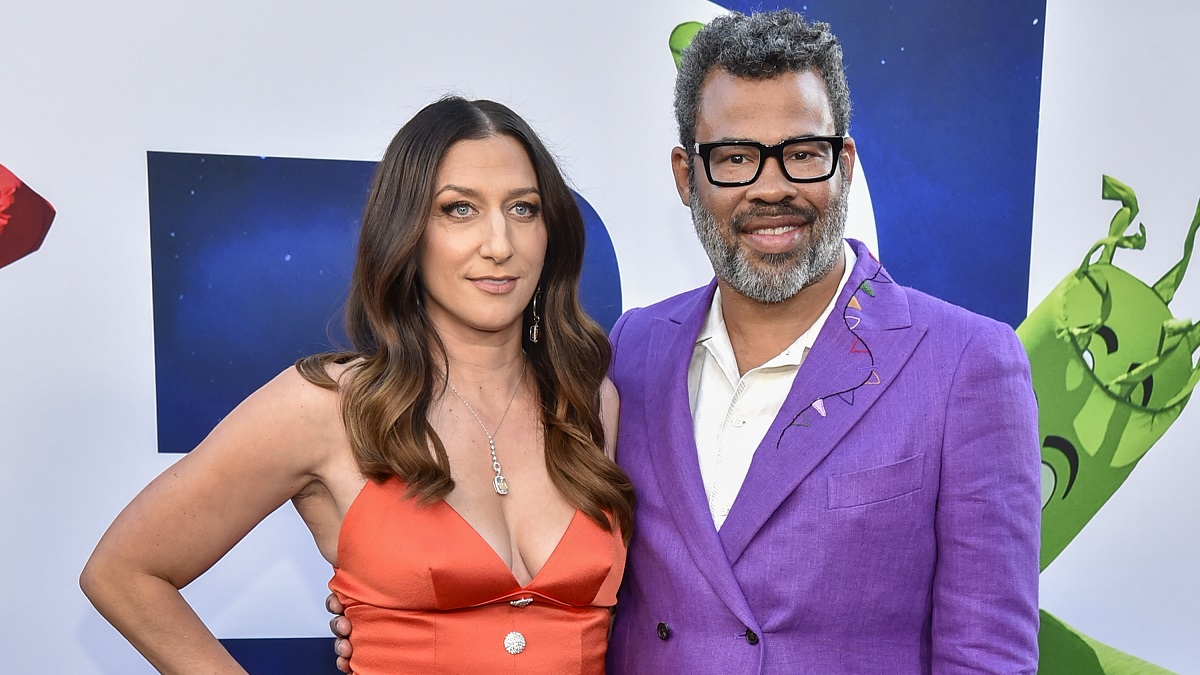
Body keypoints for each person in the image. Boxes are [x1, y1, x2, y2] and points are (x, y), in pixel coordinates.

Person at [330, 10, 1041, 673]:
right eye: (735, 158)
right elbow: (577, 586)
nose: (771, 188)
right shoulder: (633, 352)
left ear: (844, 164)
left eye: (802, 153)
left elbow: (989, 655)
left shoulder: (967, 364)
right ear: (686, 176)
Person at [81, 96, 634, 674]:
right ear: (407, 231)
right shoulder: (325, 407)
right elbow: (123, 572)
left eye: (523, 209)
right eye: (459, 210)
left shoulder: (590, 402)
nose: (499, 244)